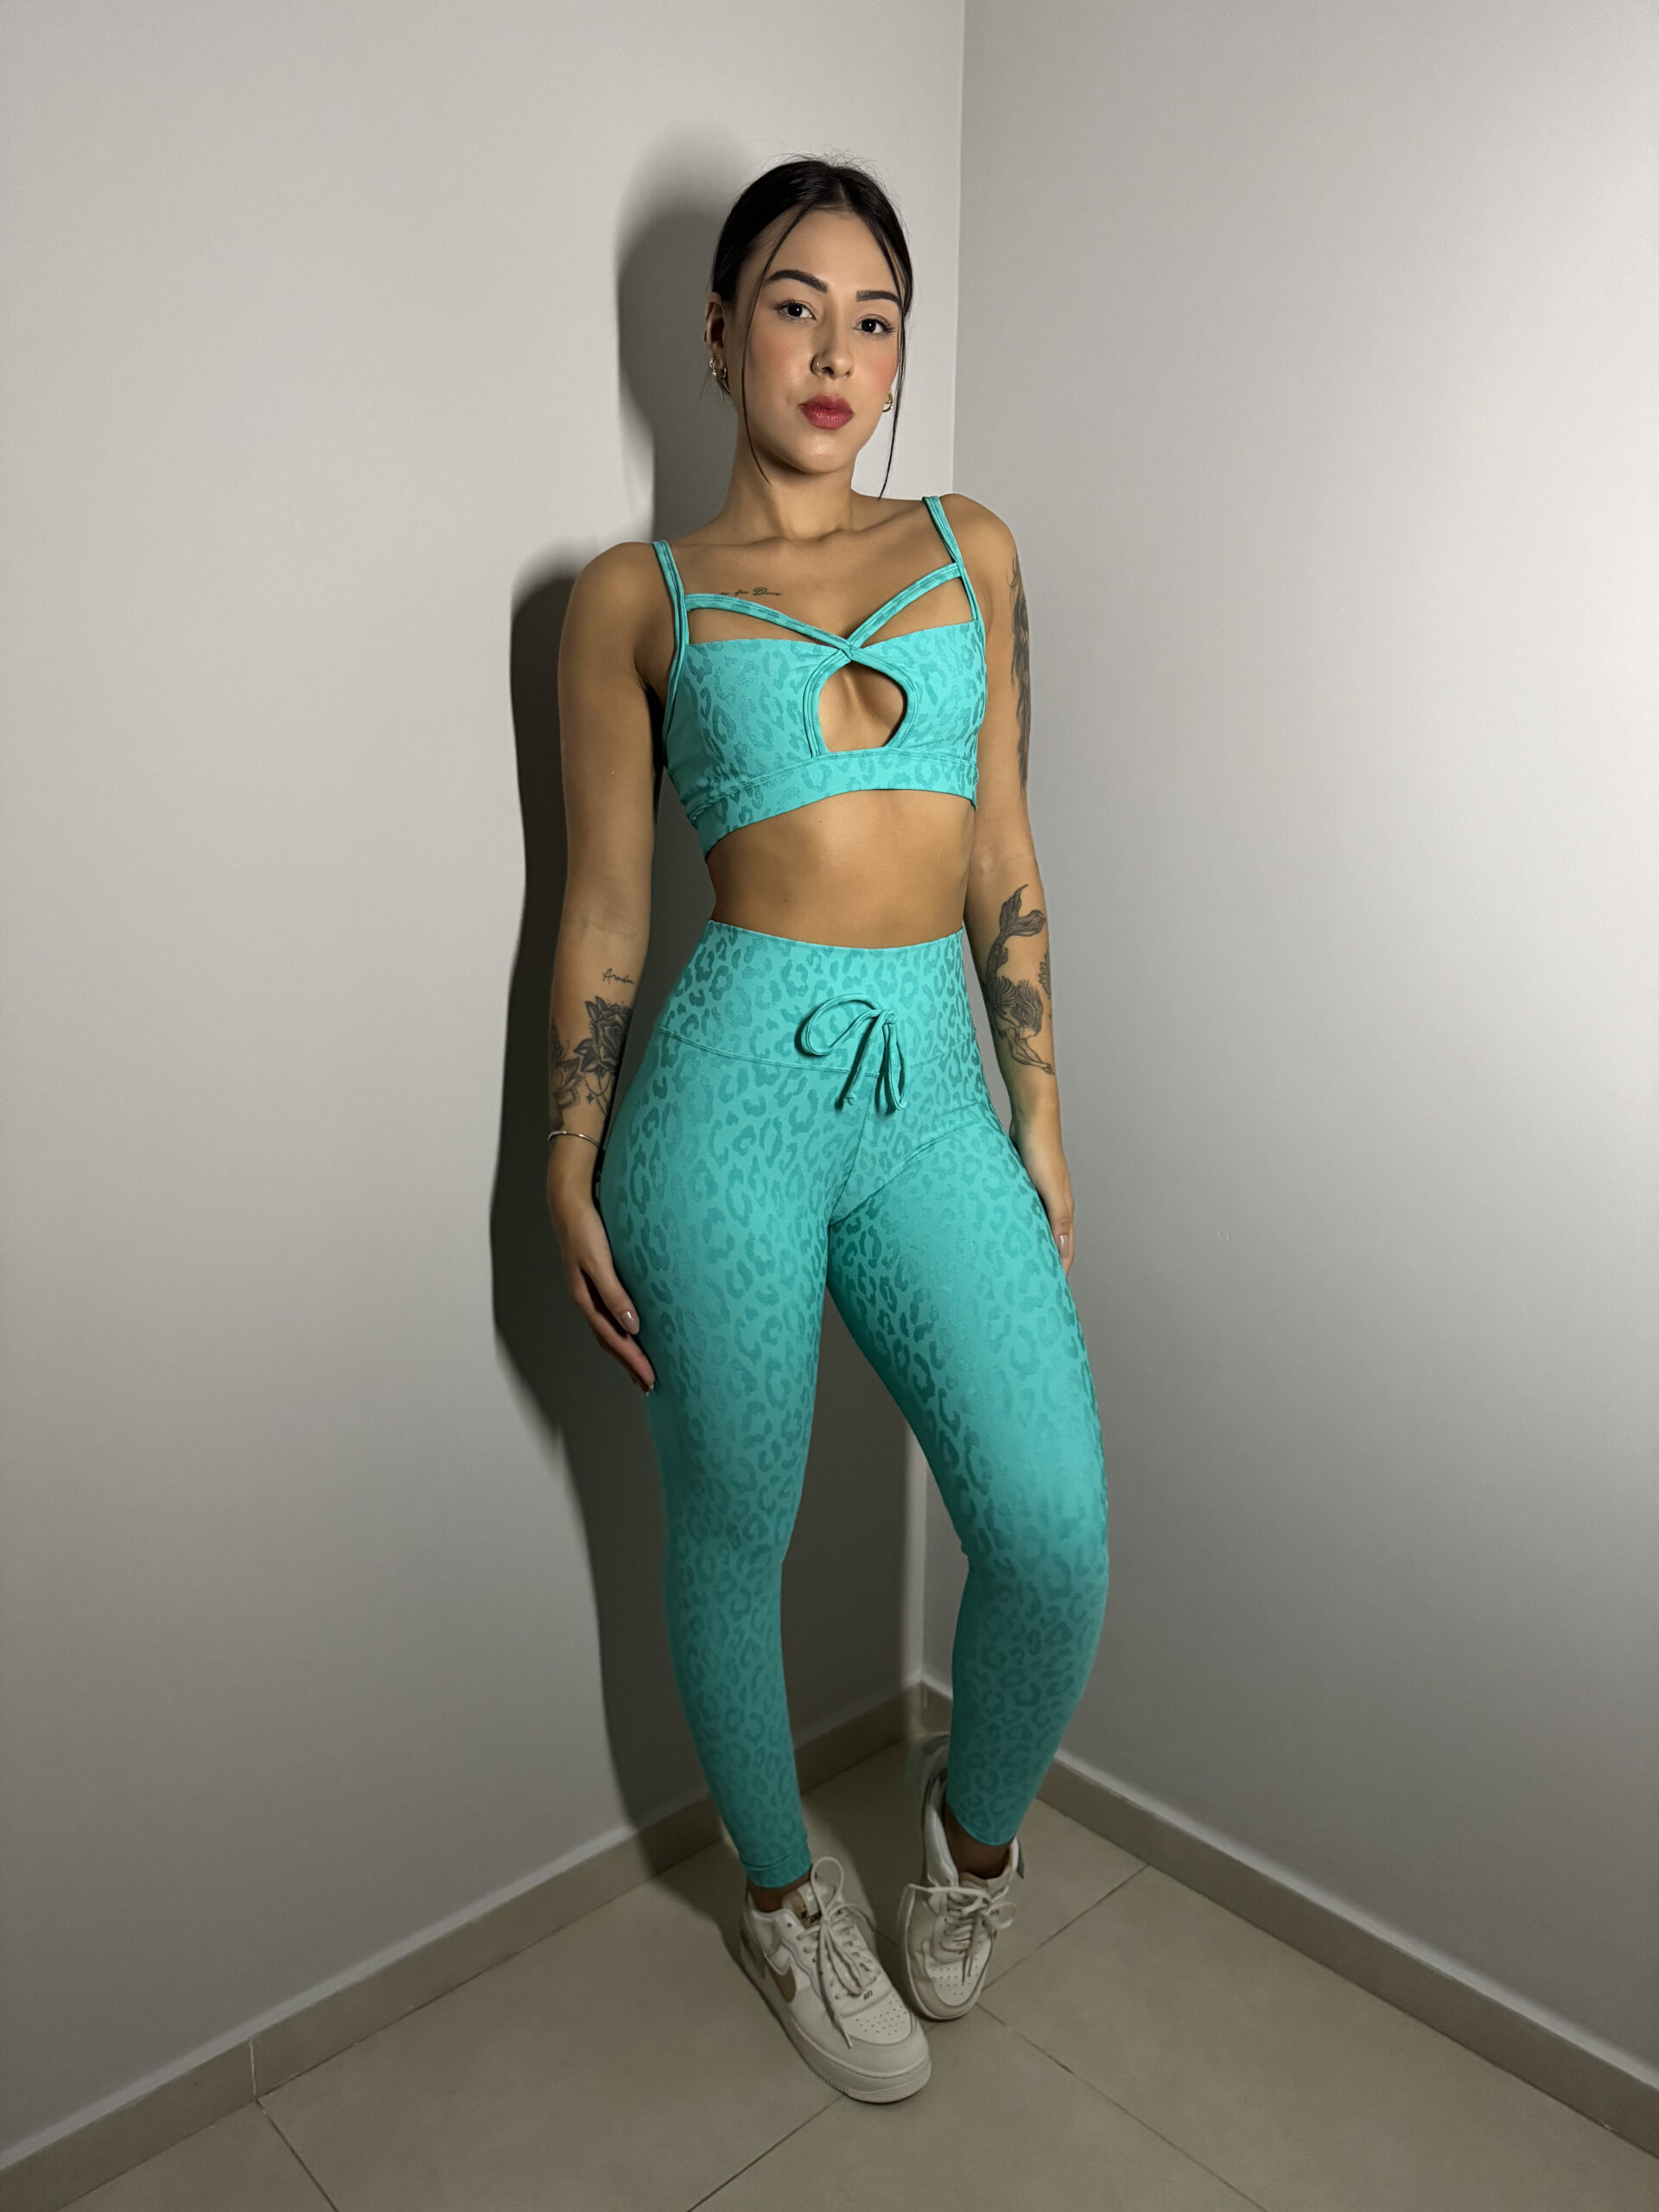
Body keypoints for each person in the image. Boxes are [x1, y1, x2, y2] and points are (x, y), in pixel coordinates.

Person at [546, 157, 1109, 2104]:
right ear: (720, 333)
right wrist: (563, 1155)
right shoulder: (634, 600)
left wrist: (1041, 1110)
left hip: (937, 1093)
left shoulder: (973, 547)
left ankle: (970, 1849)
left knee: (1052, 1527)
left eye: (877, 319)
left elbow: (1005, 848)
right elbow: (604, 904)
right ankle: (786, 1903)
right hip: (724, 1114)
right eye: (797, 305)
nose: (837, 351)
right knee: (733, 1531)